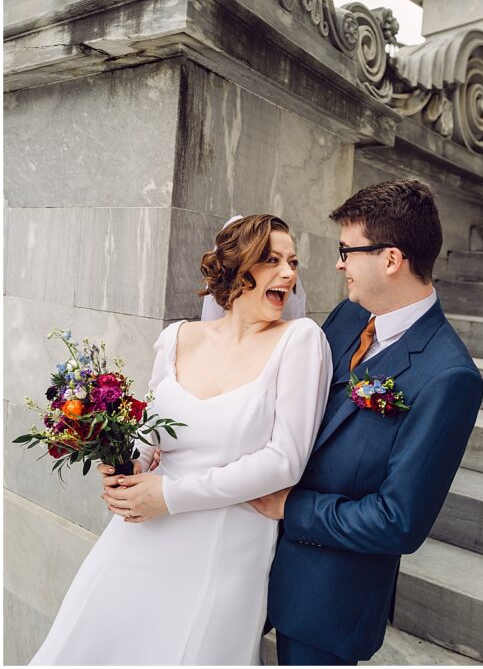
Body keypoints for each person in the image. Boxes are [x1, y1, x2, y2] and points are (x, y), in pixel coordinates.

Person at [31, 214, 332, 665]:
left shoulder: (301, 341)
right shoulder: (176, 338)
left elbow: (284, 462)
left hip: (224, 543)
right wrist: (124, 465)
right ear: (236, 268)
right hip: (140, 533)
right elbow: (151, 439)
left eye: (292, 262)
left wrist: (170, 495)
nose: (288, 274)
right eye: (271, 260)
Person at [247, 179, 483, 666]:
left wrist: (291, 507)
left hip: (325, 601)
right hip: (248, 562)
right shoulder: (346, 317)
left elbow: (398, 522)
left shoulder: (449, 377)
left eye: (346, 251)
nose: (338, 264)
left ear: (390, 259)